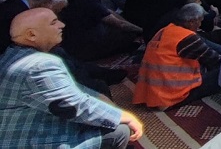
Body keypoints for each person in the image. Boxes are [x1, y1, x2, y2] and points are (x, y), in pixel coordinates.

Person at [0, 8, 144, 149]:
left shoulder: (12, 54)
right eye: (53, 22)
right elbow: (73, 106)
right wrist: (121, 116)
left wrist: (98, 97)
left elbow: (67, 91)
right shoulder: (38, 64)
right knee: (119, 130)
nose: (61, 25)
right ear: (31, 35)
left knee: (100, 92)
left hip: (28, 124)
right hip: (31, 139)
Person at [133, 3, 221, 109]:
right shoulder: (188, 38)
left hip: (150, 93)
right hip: (169, 96)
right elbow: (215, 59)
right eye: (200, 21)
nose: (200, 25)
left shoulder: (165, 30)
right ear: (192, 21)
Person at [60, 0, 143, 61]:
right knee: (130, 35)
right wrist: (141, 30)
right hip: (86, 46)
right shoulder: (92, 3)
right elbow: (120, 24)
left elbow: (110, 12)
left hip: (78, 41)